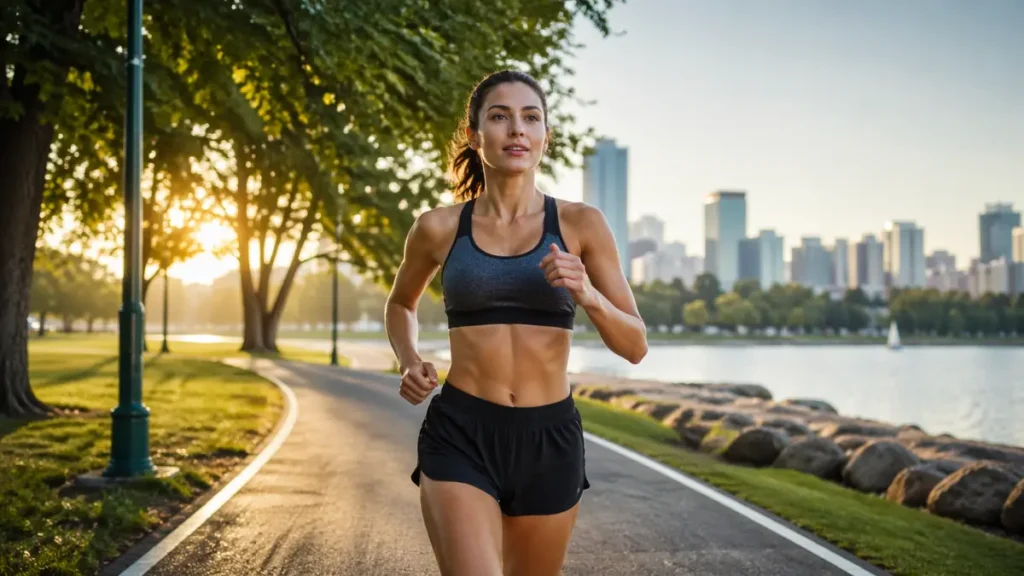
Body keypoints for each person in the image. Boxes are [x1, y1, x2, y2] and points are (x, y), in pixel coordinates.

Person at [384, 69, 648, 576]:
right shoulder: (438, 227)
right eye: (499, 117)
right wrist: (410, 360)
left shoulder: (580, 224)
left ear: (545, 135)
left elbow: (634, 345)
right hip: (461, 432)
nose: (517, 130)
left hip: (549, 439)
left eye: (531, 118)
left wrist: (587, 294)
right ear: (474, 134)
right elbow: (401, 304)